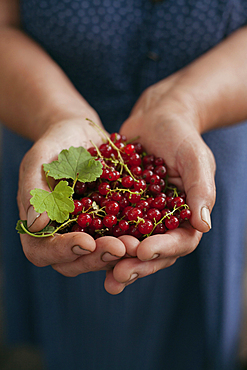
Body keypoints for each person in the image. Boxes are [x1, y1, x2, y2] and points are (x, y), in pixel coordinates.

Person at [0, 0, 247, 369]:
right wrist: (56, 113)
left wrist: (184, 104)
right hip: (42, 126)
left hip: (198, 144)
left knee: (192, 327)